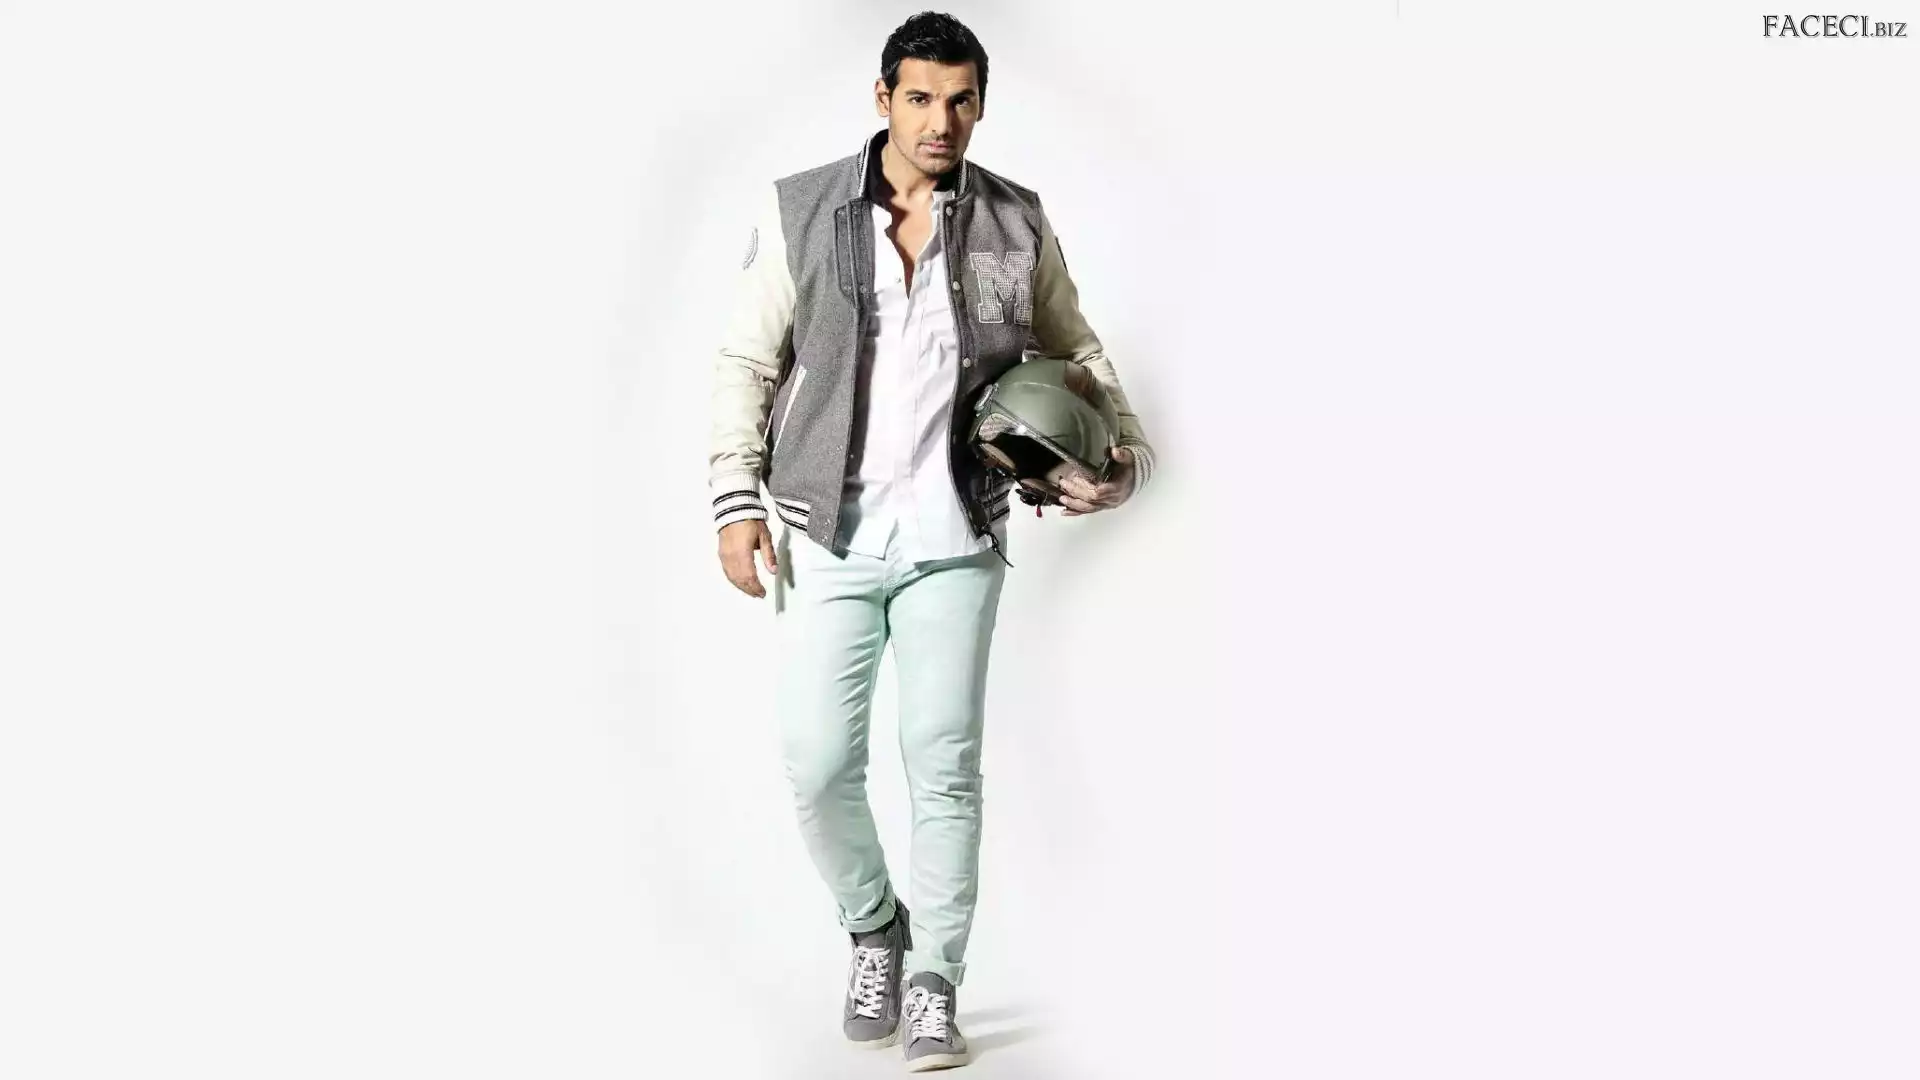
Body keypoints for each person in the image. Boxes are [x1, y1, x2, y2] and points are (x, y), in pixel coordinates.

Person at [706, 11, 1157, 1071]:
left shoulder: (1016, 220)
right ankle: (876, 923)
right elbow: (746, 360)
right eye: (918, 98)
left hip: (957, 534)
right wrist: (734, 499)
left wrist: (1127, 453)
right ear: (883, 99)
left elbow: (1077, 349)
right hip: (827, 532)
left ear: (981, 105)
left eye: (959, 101)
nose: (938, 121)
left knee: (943, 767)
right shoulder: (800, 209)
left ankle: (935, 982)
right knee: (817, 764)